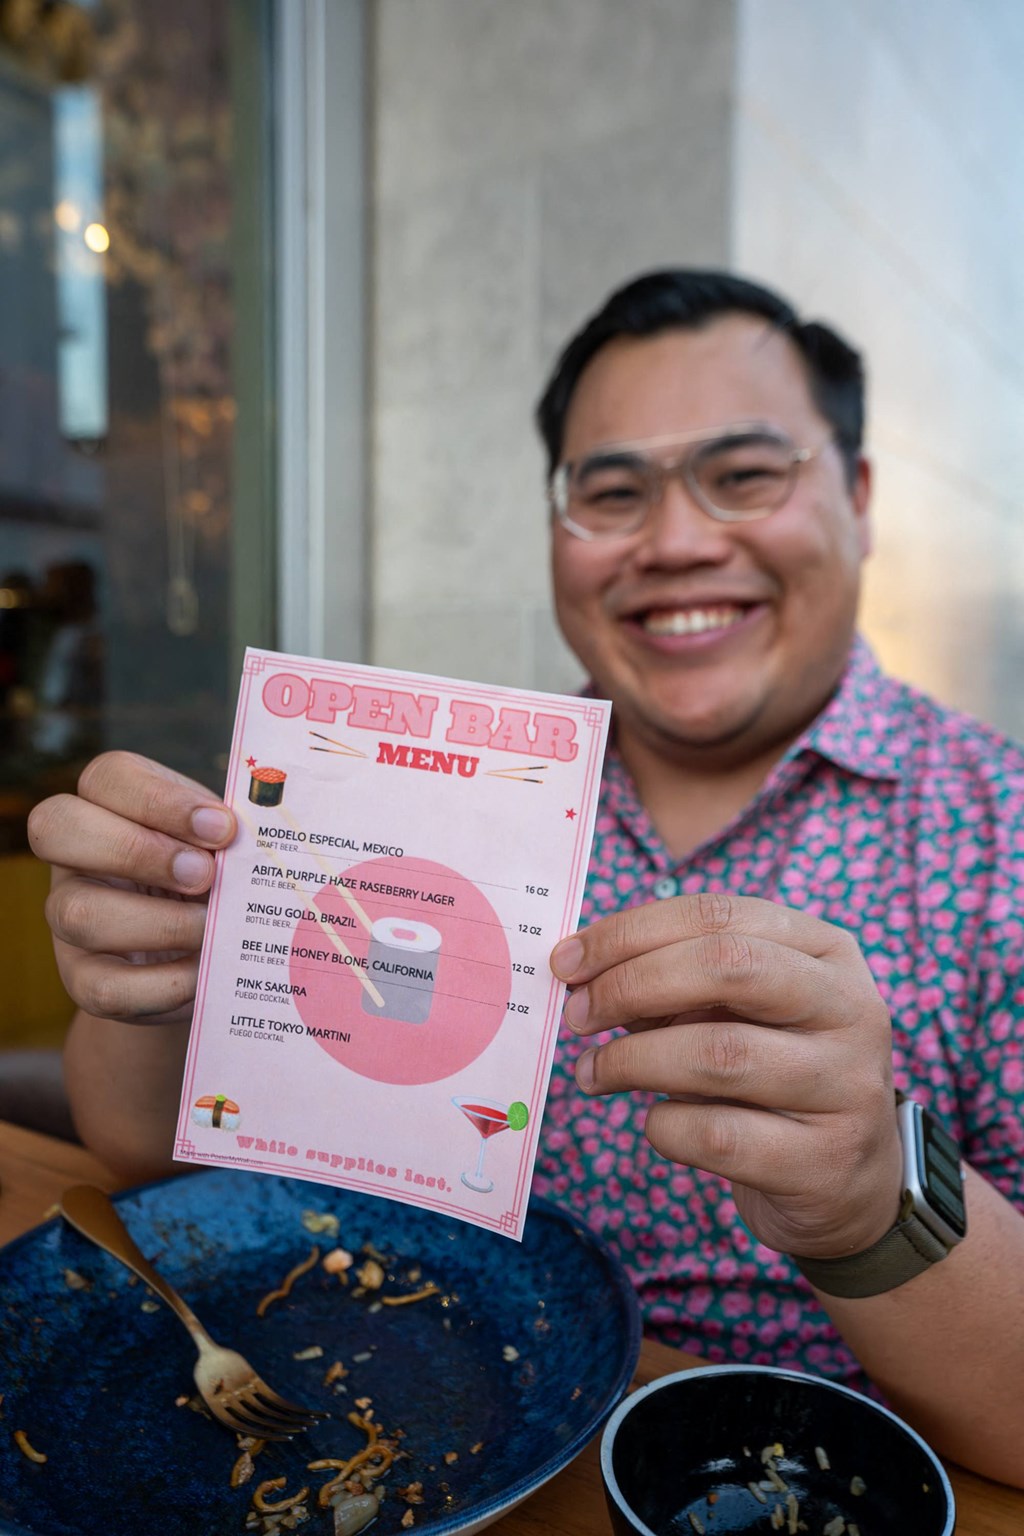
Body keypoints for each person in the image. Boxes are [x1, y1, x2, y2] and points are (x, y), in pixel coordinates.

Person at [27, 270, 1024, 1488]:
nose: (675, 540)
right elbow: (157, 1169)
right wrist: (158, 976)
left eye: (746, 475)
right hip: (411, 1432)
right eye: (611, 490)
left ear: (860, 498)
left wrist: (876, 1198)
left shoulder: (1002, 839)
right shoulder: (422, 802)